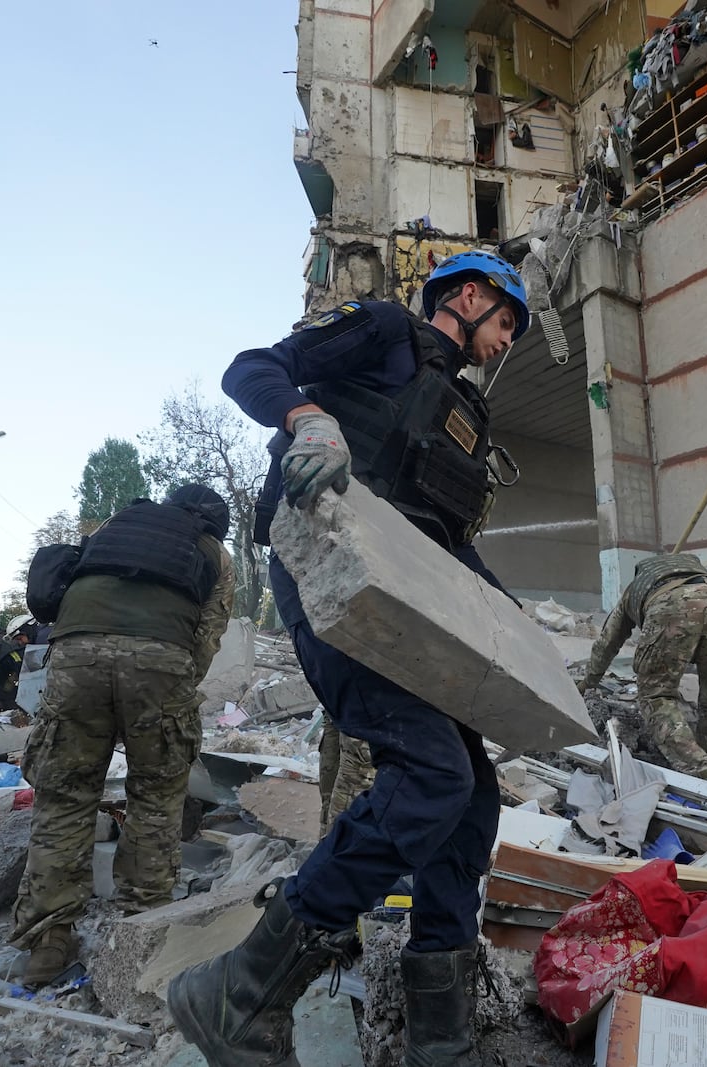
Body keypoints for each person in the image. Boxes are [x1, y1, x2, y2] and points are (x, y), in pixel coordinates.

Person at [168, 251, 531, 1065]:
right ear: (467, 297)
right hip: (333, 572)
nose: (506, 342)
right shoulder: (382, 329)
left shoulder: (461, 416)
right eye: (505, 321)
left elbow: (448, 542)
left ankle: (440, 1033)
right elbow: (252, 368)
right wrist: (307, 418)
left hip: (419, 601)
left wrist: (510, 620)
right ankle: (240, 992)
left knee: (470, 795)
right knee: (431, 773)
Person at [11, 483, 235, 986]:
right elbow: (208, 634)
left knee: (65, 796)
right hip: (162, 659)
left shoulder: (117, 525)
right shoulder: (215, 553)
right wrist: (173, 688)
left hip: (76, 655)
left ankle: (48, 942)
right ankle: (140, 926)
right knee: (156, 797)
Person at [579, 553, 707, 782]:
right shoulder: (705, 580)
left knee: (656, 696)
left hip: (672, 606)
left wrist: (588, 683)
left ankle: (701, 772)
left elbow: (608, 641)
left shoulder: (635, 589)